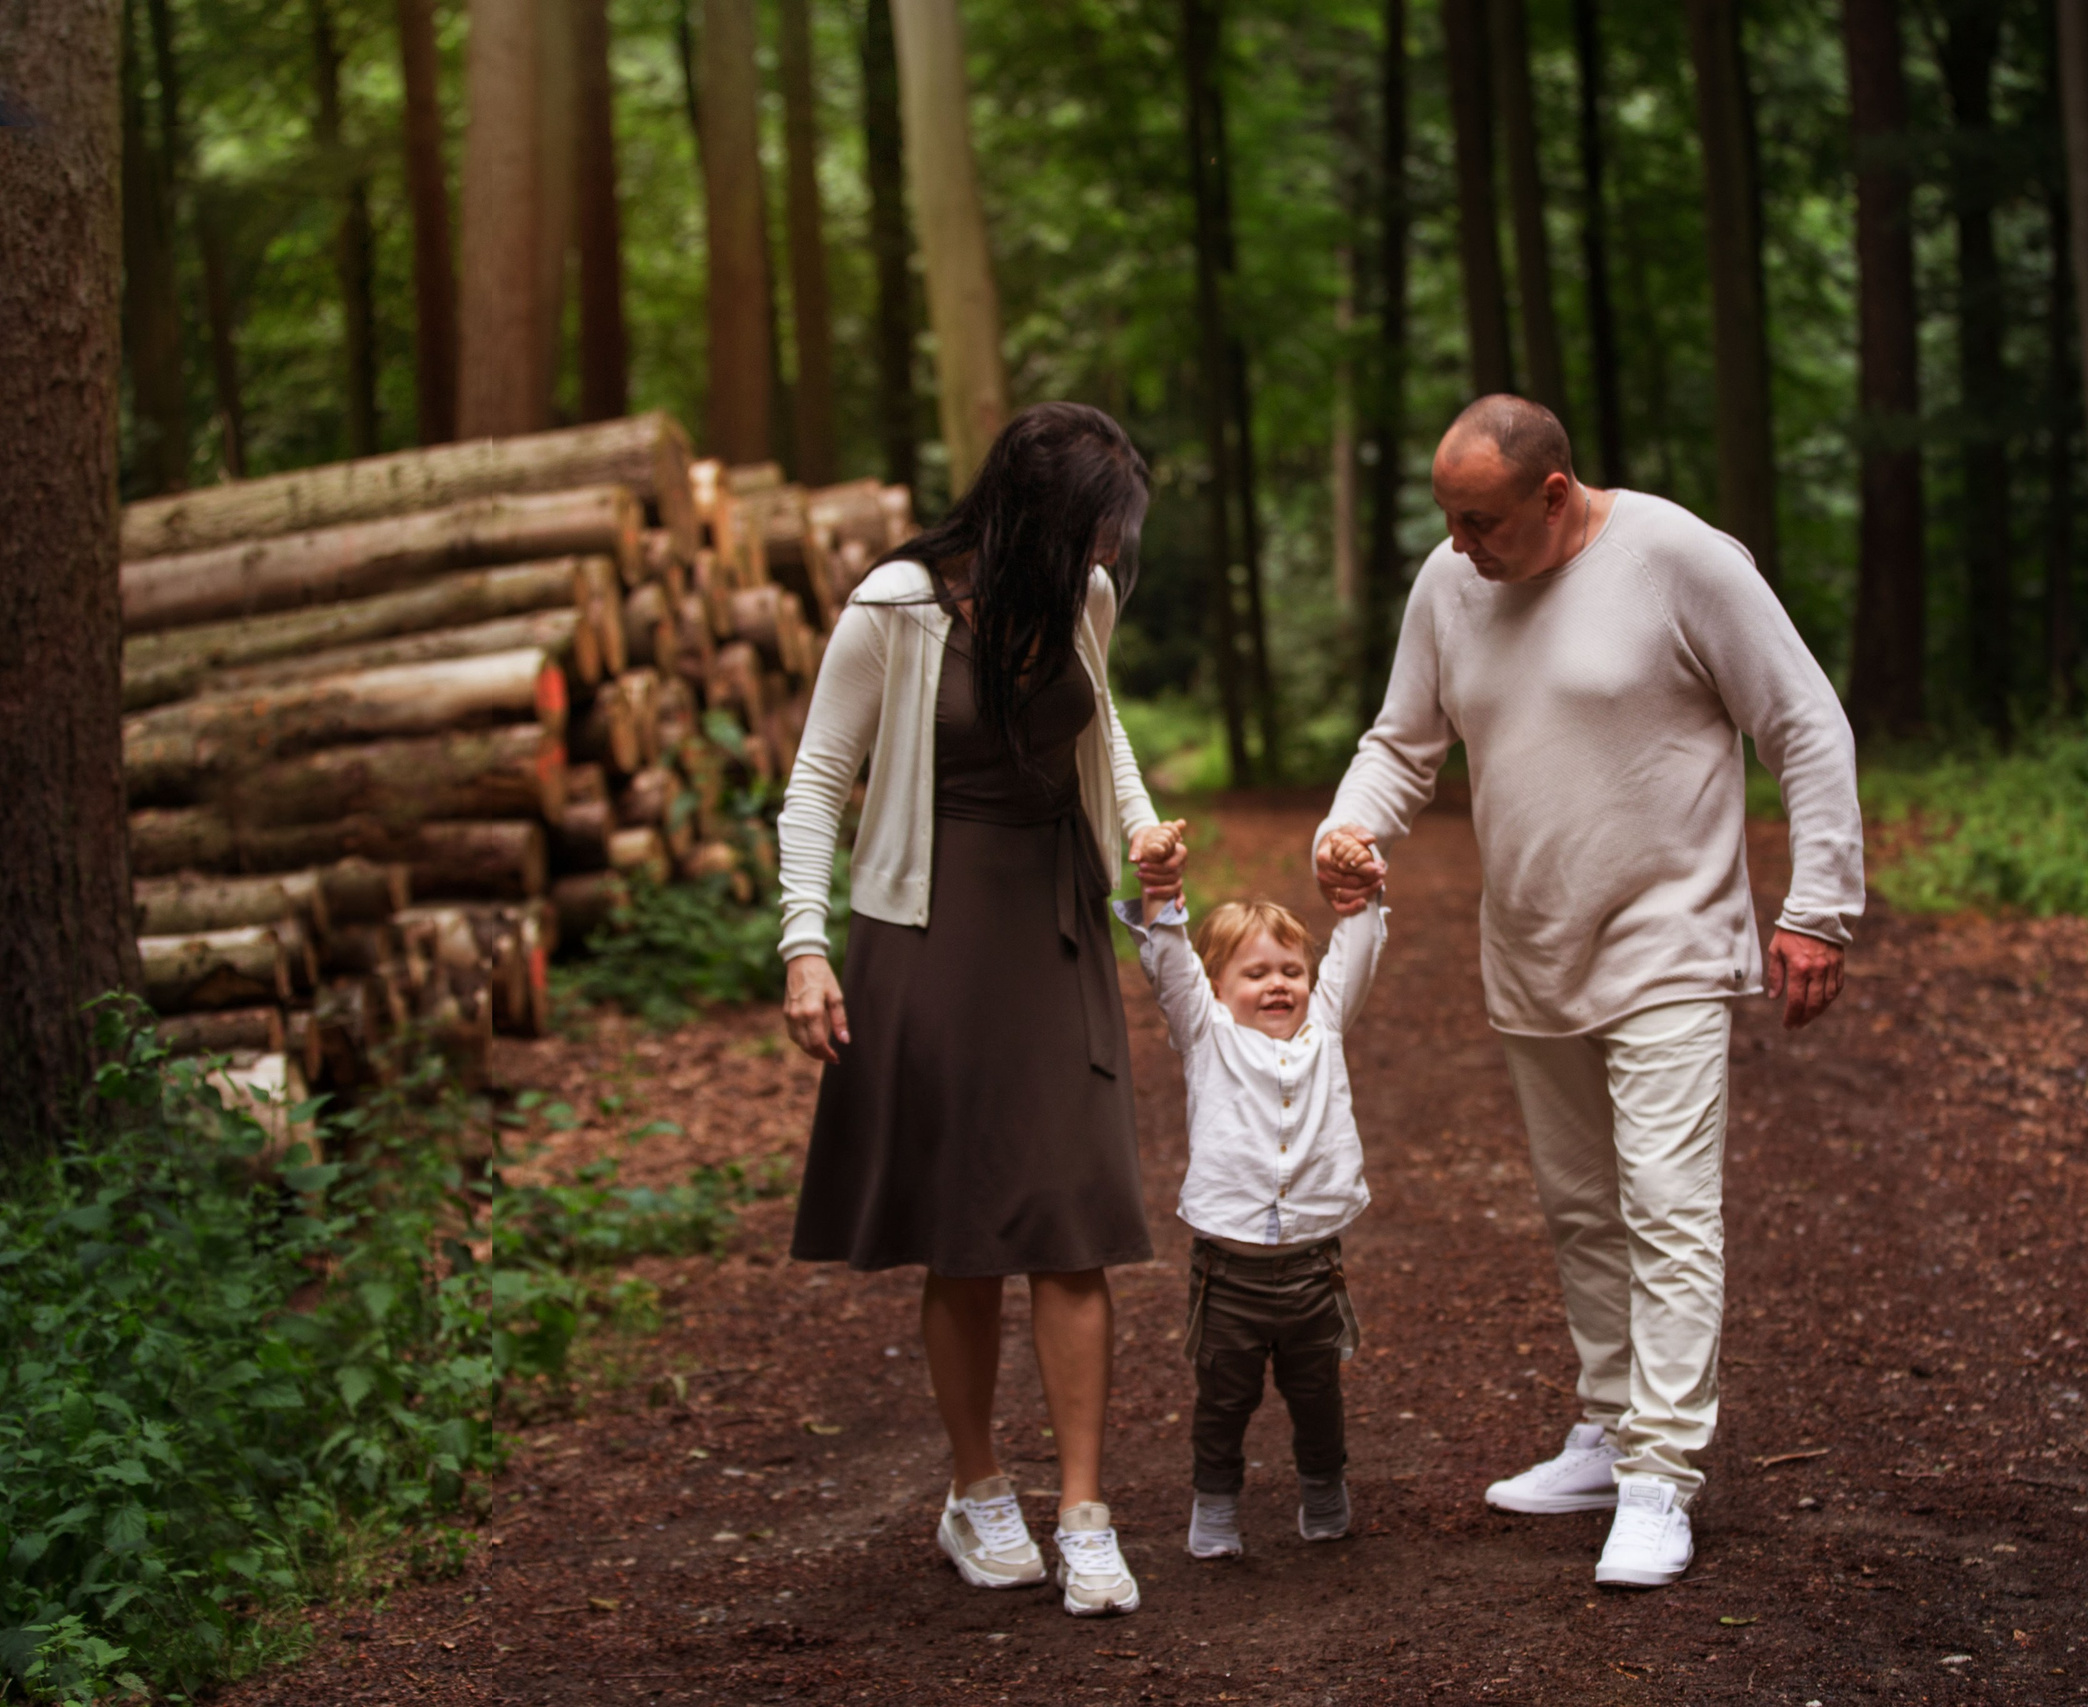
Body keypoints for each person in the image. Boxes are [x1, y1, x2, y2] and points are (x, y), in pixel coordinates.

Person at [1313, 394, 1863, 1589]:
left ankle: (1662, 1474)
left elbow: (1804, 723)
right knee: (1579, 1208)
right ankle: (1610, 1426)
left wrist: (1819, 906)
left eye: (1482, 520)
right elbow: (1403, 742)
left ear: (1553, 494)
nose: (1463, 544)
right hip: (1532, 946)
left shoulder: (1678, 559)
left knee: (1667, 1206)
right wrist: (1349, 829)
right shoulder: (1449, 584)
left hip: (1668, 941)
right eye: (1449, 521)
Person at [774, 402, 1188, 1618]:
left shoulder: (1081, 601)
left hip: (1051, 919)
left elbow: (1098, 735)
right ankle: (978, 1491)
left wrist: (1142, 834)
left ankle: (1086, 1513)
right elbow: (814, 786)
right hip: (927, 925)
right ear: (1031, 519)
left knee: (1071, 1217)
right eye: (1094, 535)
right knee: (963, 1233)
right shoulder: (893, 610)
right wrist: (805, 947)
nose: (1106, 560)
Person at [1113, 879, 1386, 1560]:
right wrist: (1160, 900)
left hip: (1311, 1268)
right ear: (1216, 985)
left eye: (1291, 970)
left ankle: (1324, 1488)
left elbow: (1355, 955)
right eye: (1256, 972)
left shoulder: (1323, 1030)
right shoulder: (1207, 1035)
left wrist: (1364, 893)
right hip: (1228, 1273)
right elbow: (1171, 965)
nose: (1278, 985)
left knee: (1316, 1394)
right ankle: (1216, 1502)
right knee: (1223, 1400)